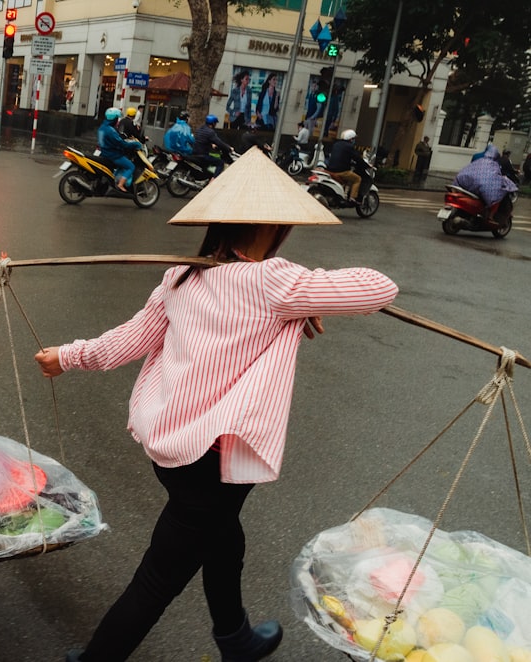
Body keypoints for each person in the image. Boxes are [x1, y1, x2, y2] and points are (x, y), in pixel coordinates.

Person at [35, 150, 399, 662]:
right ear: (274, 227)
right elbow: (379, 287)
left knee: (224, 539)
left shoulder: (183, 276)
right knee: (160, 578)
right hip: (213, 459)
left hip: (176, 448)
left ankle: (235, 639)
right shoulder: (276, 281)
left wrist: (65, 357)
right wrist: (303, 300)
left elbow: (127, 341)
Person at [452, 145, 518, 223]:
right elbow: (496, 175)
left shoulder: (479, 160)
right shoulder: (494, 164)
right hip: (480, 186)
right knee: (496, 198)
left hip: (464, 182)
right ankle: (490, 216)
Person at [98, 107, 142, 192]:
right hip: (113, 155)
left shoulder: (102, 128)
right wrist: (134, 144)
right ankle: (121, 184)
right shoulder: (111, 130)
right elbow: (122, 143)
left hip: (104, 153)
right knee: (131, 166)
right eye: (116, 118)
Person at [326, 129, 363, 202]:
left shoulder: (336, 144)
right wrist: (367, 165)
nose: (354, 140)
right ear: (351, 139)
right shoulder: (349, 146)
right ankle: (352, 198)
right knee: (357, 179)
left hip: (330, 169)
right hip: (342, 171)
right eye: (354, 139)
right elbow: (357, 158)